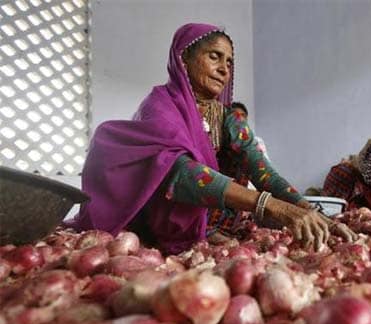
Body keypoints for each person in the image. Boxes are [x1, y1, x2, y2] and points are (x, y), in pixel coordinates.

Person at [69, 23, 354, 254]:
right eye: (214, 56)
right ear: (184, 59)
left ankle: (209, 230)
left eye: (229, 62)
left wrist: (307, 210)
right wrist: (272, 207)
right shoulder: (160, 106)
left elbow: (262, 170)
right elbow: (179, 173)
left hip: (216, 224)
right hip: (158, 221)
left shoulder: (228, 117)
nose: (224, 69)